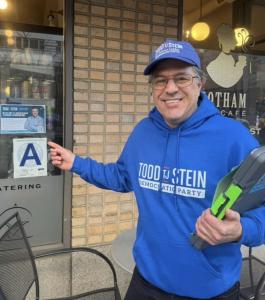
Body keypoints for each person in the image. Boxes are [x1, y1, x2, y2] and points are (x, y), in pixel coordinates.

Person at [48, 39, 265, 300]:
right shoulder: (143, 132)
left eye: (181, 78)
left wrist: (241, 231)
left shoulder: (234, 138)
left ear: (200, 83)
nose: (170, 88)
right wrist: (76, 163)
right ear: (152, 89)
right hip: (146, 284)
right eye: (160, 80)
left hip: (210, 290)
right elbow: (122, 176)